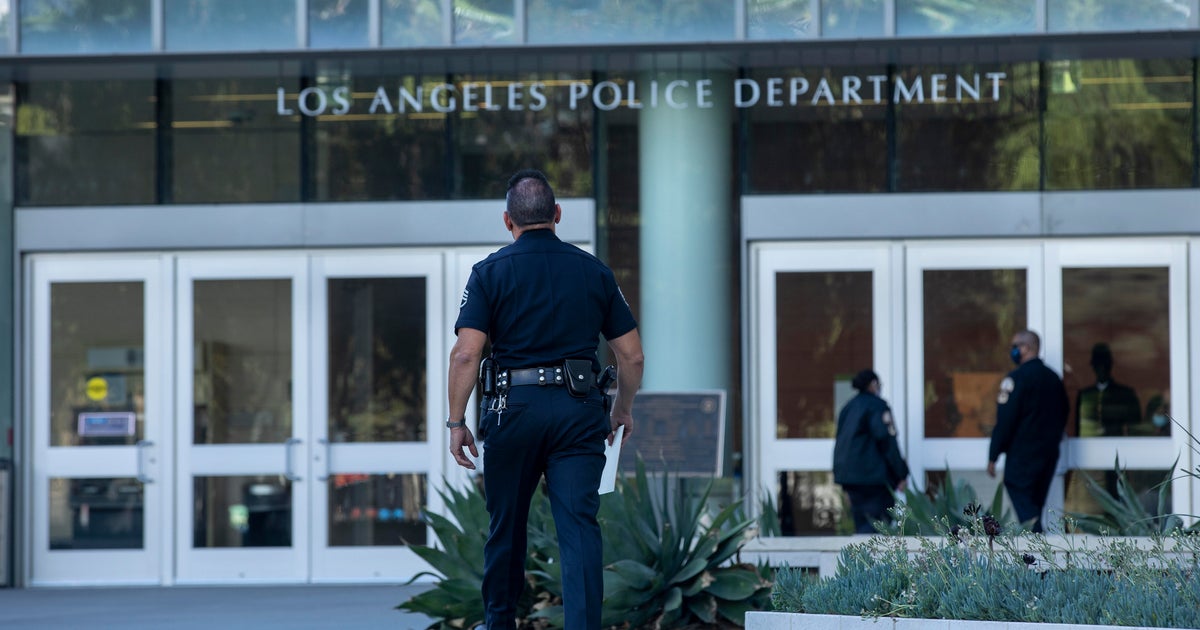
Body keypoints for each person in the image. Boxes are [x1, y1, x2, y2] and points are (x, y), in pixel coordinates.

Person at [446, 169, 644, 630]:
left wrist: (456, 421)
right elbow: (631, 356)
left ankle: (499, 624)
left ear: (507, 221)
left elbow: (466, 354)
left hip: (511, 411)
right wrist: (622, 409)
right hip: (578, 414)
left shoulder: (489, 272)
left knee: (506, 529)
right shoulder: (595, 272)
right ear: (557, 215)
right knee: (578, 529)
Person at [987, 330, 1068, 533]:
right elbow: (1064, 412)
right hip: (1048, 454)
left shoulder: (1016, 379)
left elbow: (1005, 420)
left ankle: (1037, 548)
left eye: (1016, 346)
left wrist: (993, 455)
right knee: (1035, 502)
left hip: (1023, 455)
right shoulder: (1053, 379)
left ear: (1027, 348)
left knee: (1024, 501)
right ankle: (1038, 546)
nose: (1013, 350)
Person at [832, 369, 909, 534]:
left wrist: (844, 481)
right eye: (879, 384)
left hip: (852, 481)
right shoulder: (878, 407)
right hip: (875, 481)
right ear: (873, 385)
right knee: (878, 528)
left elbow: (841, 444)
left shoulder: (847, 409)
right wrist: (901, 474)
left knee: (861, 527)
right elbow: (887, 441)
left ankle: (862, 560)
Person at [1075, 343, 1141, 437]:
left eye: (1105, 364)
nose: (1101, 368)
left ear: (1110, 365)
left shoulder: (1126, 395)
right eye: (1098, 364)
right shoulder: (1084, 395)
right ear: (1093, 366)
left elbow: (1135, 427)